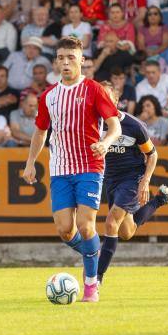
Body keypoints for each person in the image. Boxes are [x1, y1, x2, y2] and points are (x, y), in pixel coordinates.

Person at [23, 36, 121, 303]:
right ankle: (93, 253)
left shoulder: (94, 90)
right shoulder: (48, 96)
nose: (66, 63)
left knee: (85, 225)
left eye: (71, 58)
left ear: (82, 60)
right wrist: (31, 162)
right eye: (61, 58)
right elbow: (40, 131)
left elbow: (115, 127)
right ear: (56, 61)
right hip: (60, 168)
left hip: (90, 166)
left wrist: (106, 142)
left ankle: (91, 284)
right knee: (65, 229)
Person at [95, 81, 168, 286]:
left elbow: (152, 155)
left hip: (132, 178)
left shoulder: (133, 125)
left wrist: (145, 182)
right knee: (126, 232)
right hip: (111, 179)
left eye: (108, 97)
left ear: (116, 101)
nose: (103, 101)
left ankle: (96, 277)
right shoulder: (95, 123)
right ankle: (161, 199)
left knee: (110, 222)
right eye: (100, 97)